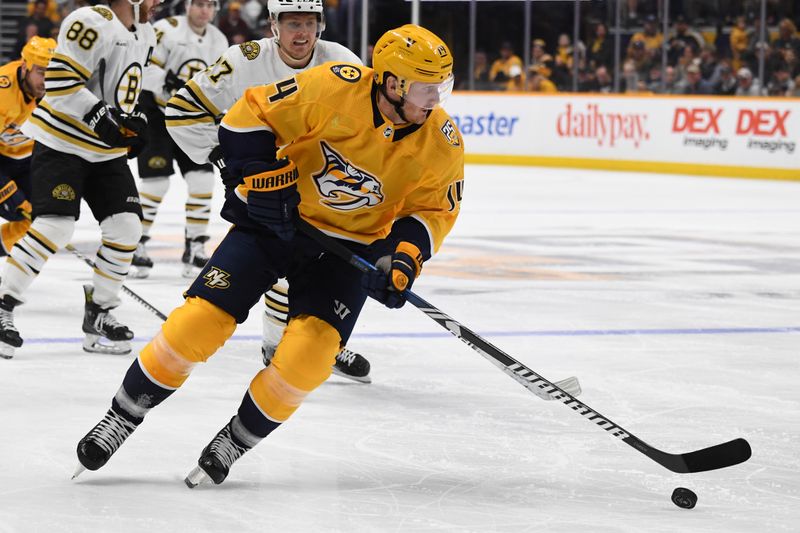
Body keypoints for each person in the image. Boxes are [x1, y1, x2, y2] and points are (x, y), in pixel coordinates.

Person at [74, 23, 464, 487]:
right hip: (277, 224)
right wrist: (257, 178)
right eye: (427, 88)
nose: (436, 100)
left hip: (347, 249)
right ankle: (123, 415)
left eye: (443, 87)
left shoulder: (442, 141)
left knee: (310, 357)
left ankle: (234, 440)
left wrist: (400, 260)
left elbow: (432, 211)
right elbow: (249, 114)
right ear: (393, 83)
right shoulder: (335, 85)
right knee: (196, 324)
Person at [164, 0, 371, 382]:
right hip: (262, 187)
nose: (302, 33)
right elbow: (180, 111)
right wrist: (224, 157)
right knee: (277, 267)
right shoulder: (243, 61)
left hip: (319, 187)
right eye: (293, 23)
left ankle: (309, 344)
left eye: (310, 23)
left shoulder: (342, 61)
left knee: (318, 272)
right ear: (274, 25)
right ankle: (279, 347)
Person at [0, 0, 158, 358]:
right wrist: (101, 117)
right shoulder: (89, 20)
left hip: (105, 152)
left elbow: (127, 91)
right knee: (54, 226)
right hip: (62, 144)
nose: (158, 2)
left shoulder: (146, 32)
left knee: (127, 229)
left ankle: (99, 313)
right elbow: (60, 80)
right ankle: (3, 304)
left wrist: (137, 122)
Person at [133, 0, 228, 279]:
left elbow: (225, 84)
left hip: (193, 120)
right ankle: (136, 244)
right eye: (199, 4)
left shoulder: (219, 40)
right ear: (187, 6)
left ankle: (195, 245)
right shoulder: (167, 29)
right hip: (158, 115)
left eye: (210, 5)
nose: (204, 10)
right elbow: (142, 66)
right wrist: (167, 80)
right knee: (156, 183)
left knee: (203, 180)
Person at [0, 37, 56, 300]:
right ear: (25, 67)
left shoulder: (58, 90)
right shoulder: (2, 90)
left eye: (51, 72)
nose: (46, 79)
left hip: (26, 160)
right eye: (41, 72)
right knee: (13, 201)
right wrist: (6, 189)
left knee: (39, 217)